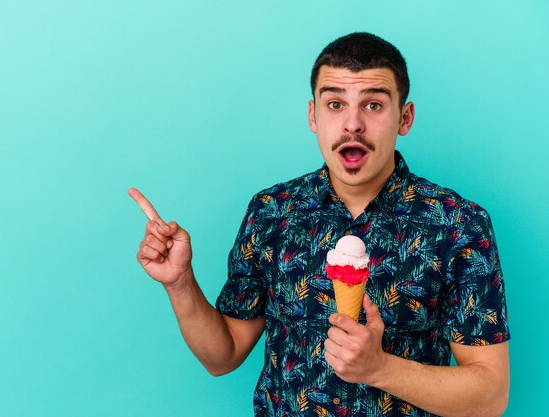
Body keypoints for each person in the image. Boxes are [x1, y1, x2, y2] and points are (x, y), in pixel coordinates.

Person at [129, 32, 510, 417]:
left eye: (374, 105)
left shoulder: (459, 225)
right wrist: (179, 283)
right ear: (313, 115)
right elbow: (222, 356)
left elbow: (490, 396)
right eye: (335, 104)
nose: (352, 124)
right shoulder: (271, 213)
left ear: (404, 117)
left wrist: (381, 369)